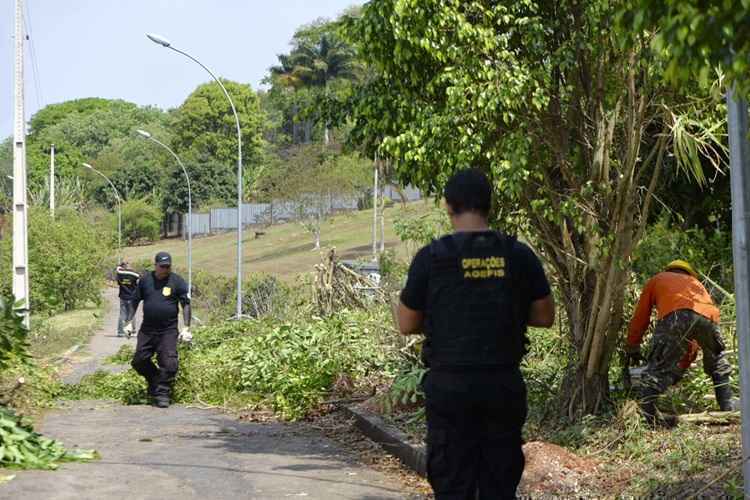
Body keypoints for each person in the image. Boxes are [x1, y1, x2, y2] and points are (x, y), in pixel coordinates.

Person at [397, 169, 555, 500]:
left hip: (450, 387)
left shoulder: (432, 257)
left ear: (448, 205)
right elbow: (544, 316)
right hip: (502, 384)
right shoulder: (518, 255)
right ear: (490, 205)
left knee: (452, 483)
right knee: (499, 482)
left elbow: (407, 323)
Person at [625, 260, 736, 424]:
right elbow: (691, 342)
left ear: (669, 269)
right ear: (689, 273)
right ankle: (727, 408)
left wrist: (632, 346)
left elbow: (641, 317)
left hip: (675, 316)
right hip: (709, 318)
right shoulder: (696, 283)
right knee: (716, 359)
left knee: (659, 365)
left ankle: (647, 416)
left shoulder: (658, 279)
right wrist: (680, 368)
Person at [126, 252, 191, 408]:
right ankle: (155, 381)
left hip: (168, 330)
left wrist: (186, 327)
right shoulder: (145, 280)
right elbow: (134, 301)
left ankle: (162, 393)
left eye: (168, 266)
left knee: (169, 363)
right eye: (162, 266)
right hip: (148, 329)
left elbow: (186, 304)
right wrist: (128, 322)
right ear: (155, 265)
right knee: (139, 361)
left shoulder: (177, 281)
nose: (165, 269)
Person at [115, 261, 140, 338]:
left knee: (122, 314)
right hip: (132, 297)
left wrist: (120, 266)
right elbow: (139, 282)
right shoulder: (135, 275)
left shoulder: (120, 274)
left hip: (123, 296)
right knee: (131, 315)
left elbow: (117, 270)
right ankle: (130, 331)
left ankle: (120, 332)